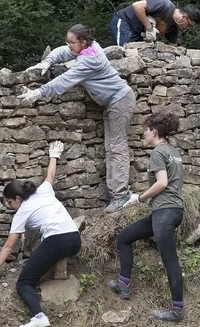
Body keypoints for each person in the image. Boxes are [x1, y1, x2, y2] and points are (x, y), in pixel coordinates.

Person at [18, 24, 136, 213]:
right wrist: (47, 62)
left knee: (117, 148)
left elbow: (65, 81)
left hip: (120, 100)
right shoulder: (87, 47)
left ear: (83, 42)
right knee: (111, 148)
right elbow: (62, 52)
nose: (69, 45)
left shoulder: (89, 59)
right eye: (68, 41)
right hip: (113, 101)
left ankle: (121, 196)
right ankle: (117, 195)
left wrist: (38, 93)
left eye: (72, 42)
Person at [0, 141, 82, 327]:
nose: (10, 207)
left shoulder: (22, 211)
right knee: (46, 250)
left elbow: (9, 245)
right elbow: (50, 175)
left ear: (17, 198)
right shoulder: (44, 190)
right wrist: (54, 155)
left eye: (10, 202)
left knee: (24, 283)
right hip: (75, 239)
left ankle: (39, 317)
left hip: (56, 240)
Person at [108, 112, 186, 322]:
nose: (143, 134)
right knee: (124, 237)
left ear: (154, 131)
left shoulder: (158, 152)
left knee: (170, 260)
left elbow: (162, 183)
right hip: (171, 210)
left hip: (165, 212)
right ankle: (123, 284)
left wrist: (139, 198)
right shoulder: (173, 151)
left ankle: (177, 310)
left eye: (145, 130)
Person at [109, 0, 200, 46]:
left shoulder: (173, 28)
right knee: (124, 51)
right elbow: (137, 6)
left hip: (137, 34)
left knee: (135, 55)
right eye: (189, 25)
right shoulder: (165, 5)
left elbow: (173, 46)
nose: (188, 28)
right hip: (125, 21)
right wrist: (149, 28)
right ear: (184, 17)